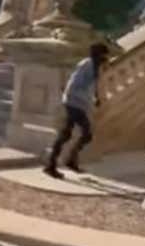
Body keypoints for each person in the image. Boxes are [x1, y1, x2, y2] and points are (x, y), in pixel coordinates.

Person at [44, 43, 110, 179]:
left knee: (72, 134)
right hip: (73, 103)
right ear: (98, 55)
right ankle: (54, 164)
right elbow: (74, 84)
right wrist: (82, 99)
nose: (106, 59)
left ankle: (65, 161)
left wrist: (95, 97)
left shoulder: (94, 67)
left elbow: (93, 84)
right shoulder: (86, 65)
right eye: (104, 56)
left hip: (78, 104)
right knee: (79, 134)